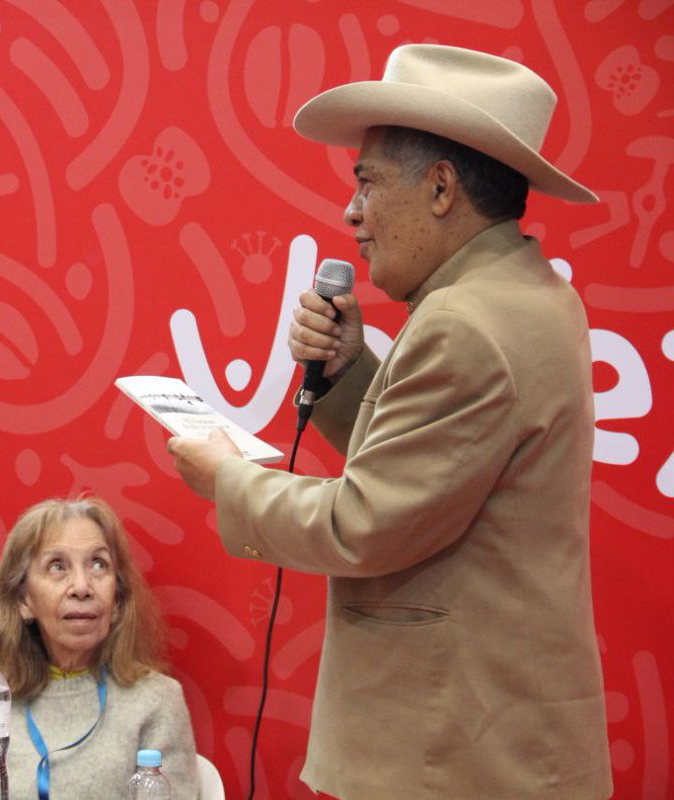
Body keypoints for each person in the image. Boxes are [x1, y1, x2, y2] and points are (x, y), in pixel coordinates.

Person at [166, 44, 612, 799]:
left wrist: (228, 481)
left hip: (455, 752)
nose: (352, 212)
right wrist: (347, 375)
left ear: (441, 188)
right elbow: (433, 469)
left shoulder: (465, 322)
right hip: (489, 738)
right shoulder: (524, 293)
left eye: (367, 184)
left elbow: (365, 522)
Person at [0, 497, 198, 799]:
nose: (82, 587)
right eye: (57, 567)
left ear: (118, 600)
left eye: (98, 564)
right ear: (23, 600)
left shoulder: (156, 702)